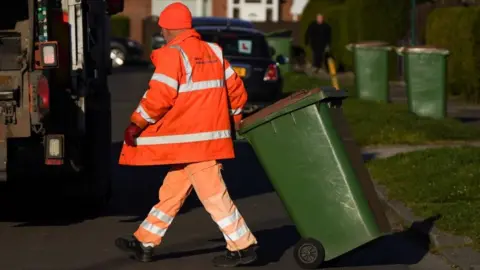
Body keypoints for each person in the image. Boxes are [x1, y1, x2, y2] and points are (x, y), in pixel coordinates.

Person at [114, 2, 258, 268]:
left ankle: (243, 246)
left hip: (191, 142)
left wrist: (136, 122)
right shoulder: (213, 51)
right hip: (204, 141)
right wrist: (235, 118)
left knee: (213, 194)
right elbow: (236, 89)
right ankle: (145, 241)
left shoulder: (173, 54)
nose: (162, 33)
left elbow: (159, 95)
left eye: (163, 29)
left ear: (170, 28)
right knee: (171, 191)